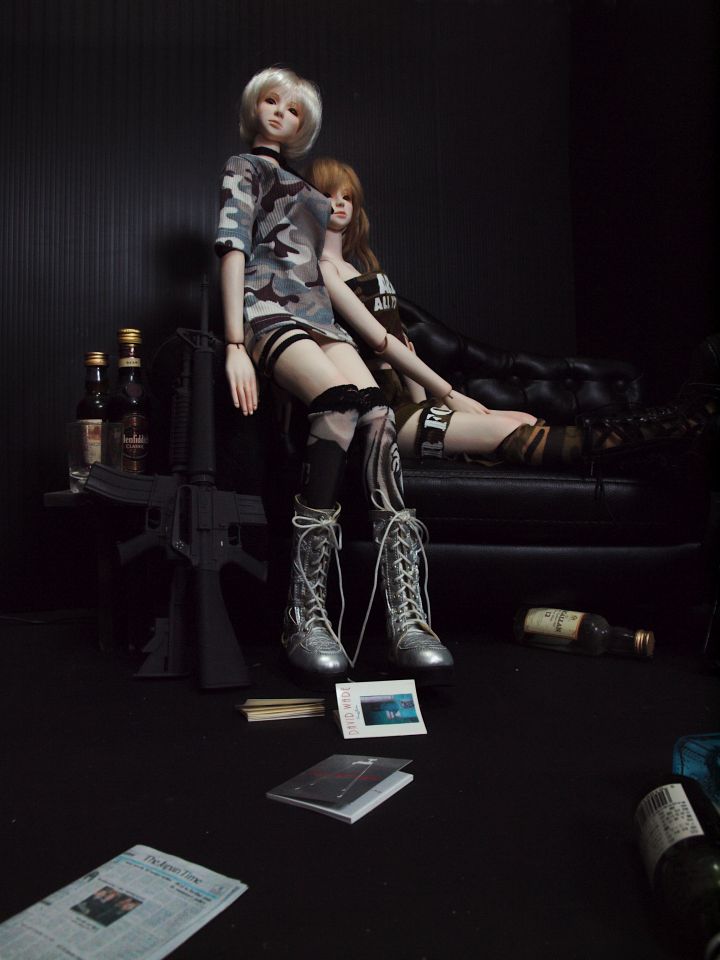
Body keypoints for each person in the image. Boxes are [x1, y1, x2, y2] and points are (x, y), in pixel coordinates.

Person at [215, 68, 477, 686]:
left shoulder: (311, 191)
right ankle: (303, 613)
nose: (279, 113)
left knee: (379, 415)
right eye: (270, 101)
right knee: (336, 403)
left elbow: (319, 267)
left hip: (320, 316)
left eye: (293, 109)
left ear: (304, 124)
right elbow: (232, 248)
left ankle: (406, 614)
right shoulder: (244, 168)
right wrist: (234, 342)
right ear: (254, 106)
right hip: (268, 310)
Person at [306, 156, 715, 469]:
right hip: (378, 414)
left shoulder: (362, 270)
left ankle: (657, 436)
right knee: (509, 428)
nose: (339, 204)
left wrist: (429, 400)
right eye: (328, 194)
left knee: (525, 418)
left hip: (407, 405)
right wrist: (450, 394)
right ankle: (665, 432)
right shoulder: (322, 272)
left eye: (347, 197)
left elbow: (401, 346)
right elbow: (382, 343)